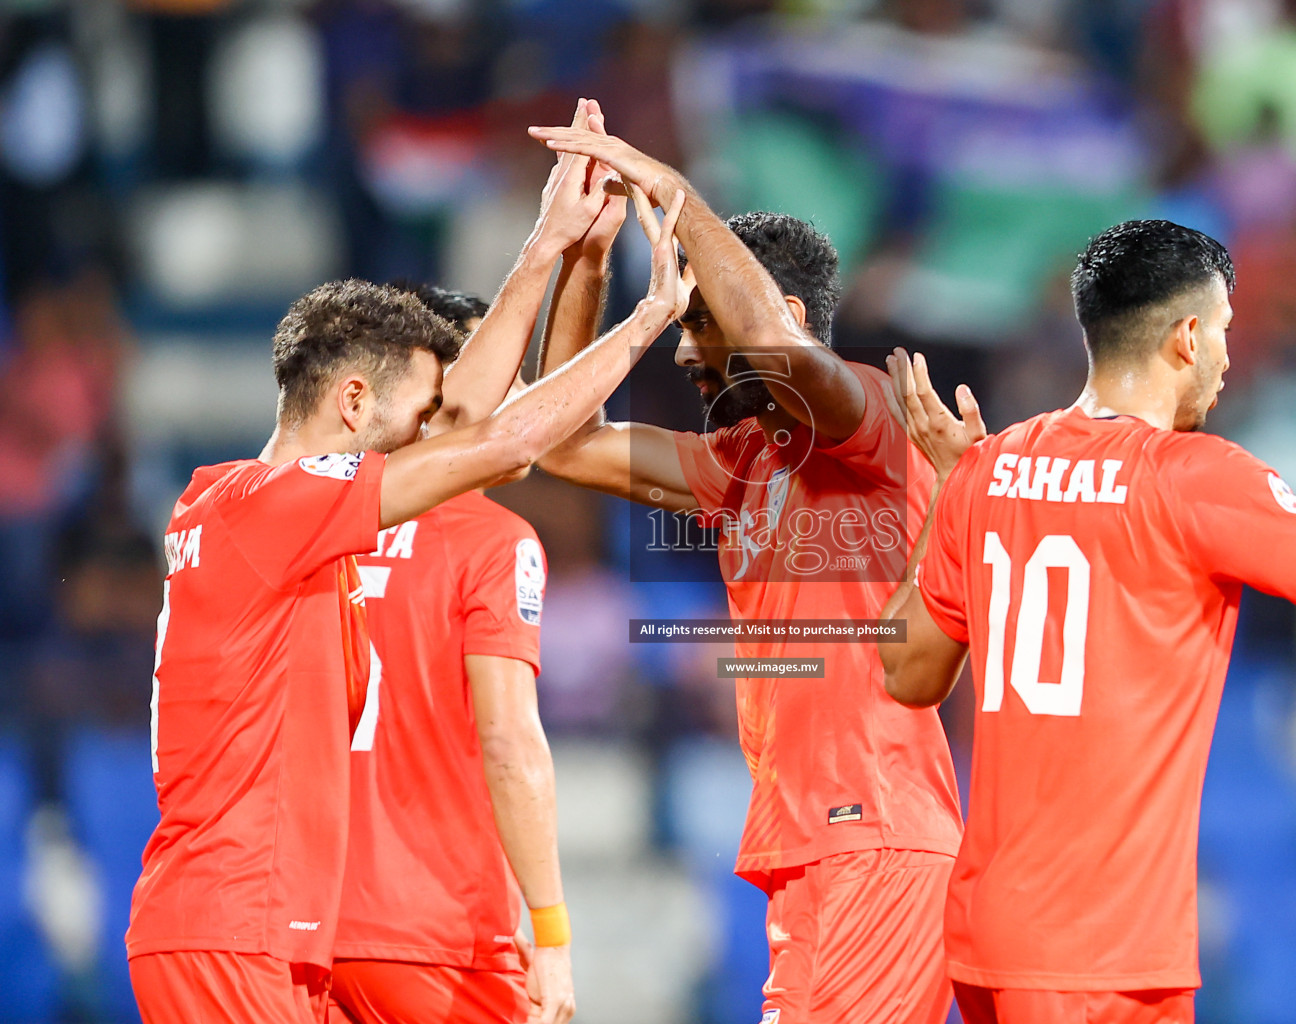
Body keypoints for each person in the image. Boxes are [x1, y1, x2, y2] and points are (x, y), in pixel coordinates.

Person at [124, 129, 687, 1023]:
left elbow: (471, 427)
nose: (438, 427)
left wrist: (548, 249)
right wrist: (648, 318)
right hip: (244, 926)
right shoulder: (283, 507)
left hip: (268, 929)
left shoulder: (240, 505)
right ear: (353, 401)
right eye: (419, 410)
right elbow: (499, 440)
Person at [878, 218, 1296, 1024]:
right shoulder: (1196, 477)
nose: (1227, 356)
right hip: (1101, 949)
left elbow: (909, 673)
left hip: (990, 932)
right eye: (1223, 332)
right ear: (1186, 337)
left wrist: (946, 484)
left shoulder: (988, 466)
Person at [529, 109, 962, 1024]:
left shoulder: (874, 422)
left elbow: (779, 350)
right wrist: (588, 258)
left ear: (786, 318)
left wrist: (670, 191)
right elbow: (562, 439)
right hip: (805, 845)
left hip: (876, 833)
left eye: (699, 321)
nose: (684, 349)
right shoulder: (737, 463)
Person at [326, 202, 623, 1024]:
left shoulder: (309, 523)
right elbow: (509, 741)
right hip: (438, 937)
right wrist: (553, 933)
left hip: (303, 933)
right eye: (511, 378)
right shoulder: (497, 540)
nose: (527, 400)